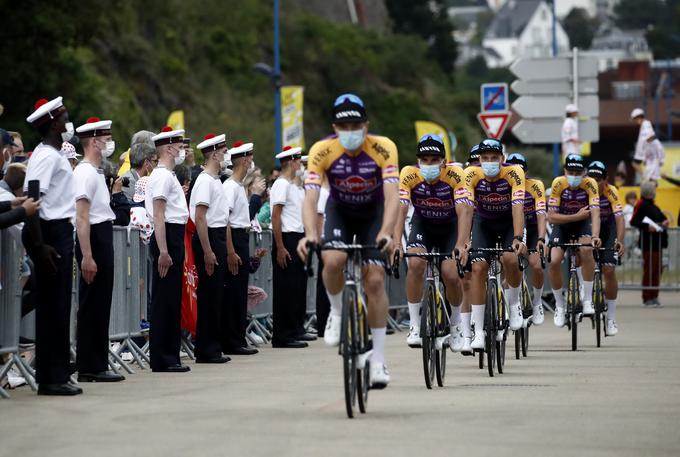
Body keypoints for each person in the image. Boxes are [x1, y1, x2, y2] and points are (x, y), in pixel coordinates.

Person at [297, 93, 399, 388]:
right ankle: (338, 313)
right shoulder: (321, 150)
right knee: (332, 259)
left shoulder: (383, 148)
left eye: (356, 125)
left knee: (376, 280)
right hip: (340, 211)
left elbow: (392, 195)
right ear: (334, 127)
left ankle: (378, 359)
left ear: (366, 126)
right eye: (344, 126)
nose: (351, 132)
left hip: (373, 213)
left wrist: (387, 232)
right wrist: (310, 234)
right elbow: (311, 196)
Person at [22, 96, 79, 395]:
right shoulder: (45, 156)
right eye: (65, 117)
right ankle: (49, 378)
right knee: (52, 308)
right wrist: (40, 244)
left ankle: (58, 372)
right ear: (54, 123)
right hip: (48, 231)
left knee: (59, 306)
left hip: (58, 230)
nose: (68, 122)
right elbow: (33, 197)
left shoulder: (55, 155)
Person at [394, 134, 466, 351]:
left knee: (451, 274)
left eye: (434, 160)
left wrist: (461, 243)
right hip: (423, 225)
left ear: (443, 161)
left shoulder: (455, 174)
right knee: (415, 264)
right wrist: (397, 242)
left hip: (449, 227)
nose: (429, 164)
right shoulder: (408, 174)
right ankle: (415, 325)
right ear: (418, 161)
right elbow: (402, 208)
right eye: (424, 160)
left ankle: (456, 325)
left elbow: (464, 211)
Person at [455, 138, 527, 351]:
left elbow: (517, 207)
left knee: (510, 259)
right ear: (479, 159)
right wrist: (463, 242)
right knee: (477, 269)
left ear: (502, 159)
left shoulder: (514, 173)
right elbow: (467, 210)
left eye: (493, 158)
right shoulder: (471, 174)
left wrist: (517, 237)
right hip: (483, 223)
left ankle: (513, 305)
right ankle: (478, 333)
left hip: (507, 223)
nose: (489, 162)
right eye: (484, 158)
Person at [72, 117, 125, 382]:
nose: (109, 144)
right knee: (92, 303)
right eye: (105, 140)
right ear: (94, 142)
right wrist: (88, 255)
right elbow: (82, 217)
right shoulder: (83, 172)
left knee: (100, 303)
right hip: (93, 238)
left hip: (101, 235)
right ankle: (89, 365)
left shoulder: (94, 172)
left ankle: (96, 363)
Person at [145, 126, 191, 372]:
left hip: (173, 235)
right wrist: (163, 250)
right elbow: (159, 214)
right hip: (167, 237)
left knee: (171, 299)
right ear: (170, 148)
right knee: (165, 300)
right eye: (180, 146)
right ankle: (163, 358)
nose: (182, 150)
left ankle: (170, 355)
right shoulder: (163, 176)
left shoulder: (167, 175)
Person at [547, 154, 601, 327]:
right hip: (562, 225)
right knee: (554, 261)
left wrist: (595, 236)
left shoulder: (590, 184)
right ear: (565, 171)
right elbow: (552, 218)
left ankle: (586, 299)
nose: (574, 175)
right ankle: (560, 306)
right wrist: (575, 216)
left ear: (585, 173)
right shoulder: (558, 183)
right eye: (571, 171)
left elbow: (596, 213)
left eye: (578, 172)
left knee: (586, 250)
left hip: (582, 225)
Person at [190, 133, 231, 363]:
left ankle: (212, 346)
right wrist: (207, 250)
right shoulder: (205, 180)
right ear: (214, 153)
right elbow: (200, 217)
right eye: (223, 152)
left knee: (216, 294)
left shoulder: (215, 180)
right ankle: (206, 349)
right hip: (210, 238)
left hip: (216, 236)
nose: (226, 156)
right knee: (209, 294)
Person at [271, 146, 312, 348]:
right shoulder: (281, 185)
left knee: (295, 287)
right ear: (292, 162)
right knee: (285, 289)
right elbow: (276, 216)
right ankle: (282, 335)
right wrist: (279, 246)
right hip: (286, 238)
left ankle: (294, 329)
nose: (300, 165)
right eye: (298, 161)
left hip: (296, 237)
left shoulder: (291, 186)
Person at [222, 140, 259, 356]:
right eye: (250, 157)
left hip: (241, 238)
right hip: (234, 239)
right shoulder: (230, 187)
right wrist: (230, 251)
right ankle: (232, 340)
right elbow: (225, 220)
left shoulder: (238, 187)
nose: (251, 161)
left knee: (239, 292)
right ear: (244, 160)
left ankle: (237, 337)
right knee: (234, 292)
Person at [506, 153, 546, 325]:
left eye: (521, 170)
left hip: (532, 226)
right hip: (513, 227)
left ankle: (537, 302)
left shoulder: (535, 185)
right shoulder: (504, 184)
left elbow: (541, 214)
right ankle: (508, 304)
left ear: (526, 172)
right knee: (508, 262)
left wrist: (542, 238)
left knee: (536, 265)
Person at [587, 161, 625, 336]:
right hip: (588, 227)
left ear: (606, 180)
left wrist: (620, 240)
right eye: (591, 177)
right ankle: (583, 291)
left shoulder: (612, 191)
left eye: (598, 179)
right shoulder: (583, 188)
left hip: (607, 230)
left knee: (609, 270)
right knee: (581, 255)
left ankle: (610, 317)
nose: (594, 182)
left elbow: (619, 219)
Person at [630, 180, 668, 307]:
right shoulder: (641, 204)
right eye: (653, 189)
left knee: (657, 271)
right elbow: (633, 221)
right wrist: (647, 227)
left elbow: (662, 218)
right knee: (650, 271)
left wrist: (665, 222)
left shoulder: (654, 206)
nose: (655, 192)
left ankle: (654, 296)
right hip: (648, 244)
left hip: (657, 244)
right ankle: (647, 298)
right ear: (649, 191)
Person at [631, 108, 665, 183]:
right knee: (650, 174)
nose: (635, 121)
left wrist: (647, 142)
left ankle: (646, 178)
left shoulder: (646, 124)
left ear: (639, 117)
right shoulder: (644, 124)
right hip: (647, 154)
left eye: (635, 119)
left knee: (651, 175)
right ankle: (646, 178)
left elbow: (649, 136)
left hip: (650, 154)